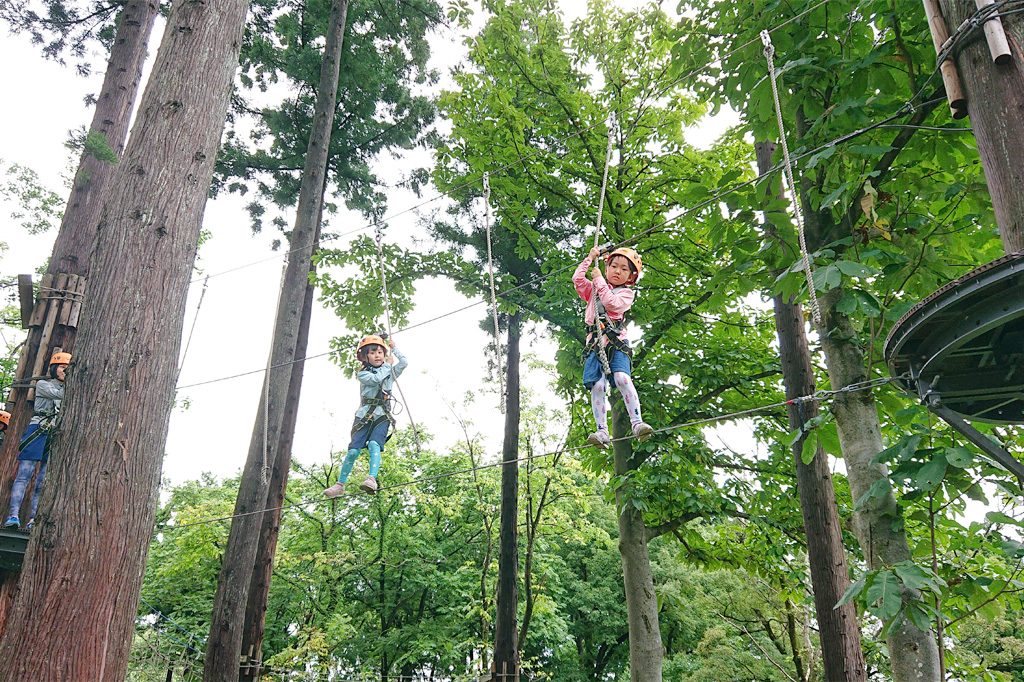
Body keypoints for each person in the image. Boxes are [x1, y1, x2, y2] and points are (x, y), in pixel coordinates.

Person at [573, 246, 653, 449]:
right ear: (607, 267)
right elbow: (577, 279)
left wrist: (599, 279)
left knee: (622, 378)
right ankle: (602, 432)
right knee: (598, 386)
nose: (618, 271)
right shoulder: (593, 289)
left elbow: (611, 304)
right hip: (595, 342)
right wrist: (589, 259)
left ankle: (637, 423)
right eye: (614, 266)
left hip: (616, 342)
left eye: (624, 269)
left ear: (631, 276)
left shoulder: (626, 293)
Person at [324, 335, 407, 497]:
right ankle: (340, 484)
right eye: (373, 352)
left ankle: (371, 478)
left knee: (374, 445)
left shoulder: (389, 371)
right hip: (364, 417)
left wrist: (394, 348)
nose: (377, 355)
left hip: (382, 415)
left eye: (380, 352)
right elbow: (376, 379)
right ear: (365, 357)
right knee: (353, 451)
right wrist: (388, 365)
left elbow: (404, 363)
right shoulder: (363, 374)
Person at [4, 352, 70, 530]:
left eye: (68, 368)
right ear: (55, 368)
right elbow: (59, 395)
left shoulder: (69, 389)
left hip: (54, 433)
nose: (66, 371)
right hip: (38, 429)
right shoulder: (43, 384)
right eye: (63, 368)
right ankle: (13, 516)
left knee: (43, 480)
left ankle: (34, 518)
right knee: (24, 475)